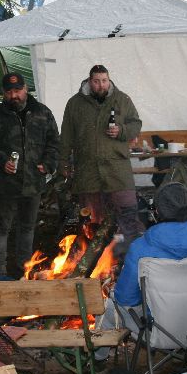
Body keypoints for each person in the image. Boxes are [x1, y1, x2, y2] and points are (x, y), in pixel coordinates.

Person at [95, 183, 187, 351]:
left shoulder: (141, 249)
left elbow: (126, 298)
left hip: (161, 331)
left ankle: (98, 358)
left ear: (157, 211)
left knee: (106, 307)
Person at [0, 73, 60, 275]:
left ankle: (24, 269)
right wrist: (0, 161)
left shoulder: (42, 113)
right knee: (2, 228)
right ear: (3, 93)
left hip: (33, 183)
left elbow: (54, 142)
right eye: (9, 92)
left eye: (17, 90)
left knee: (28, 227)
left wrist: (48, 163)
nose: (14, 95)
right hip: (5, 184)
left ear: (26, 89)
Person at [59, 64, 145, 249]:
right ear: (90, 81)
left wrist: (121, 131)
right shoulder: (75, 103)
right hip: (88, 170)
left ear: (109, 80)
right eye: (97, 81)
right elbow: (66, 135)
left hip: (118, 170)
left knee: (128, 213)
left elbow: (136, 124)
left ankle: (133, 253)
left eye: (104, 81)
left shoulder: (122, 99)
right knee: (92, 221)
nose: (101, 85)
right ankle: (97, 257)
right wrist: (63, 162)